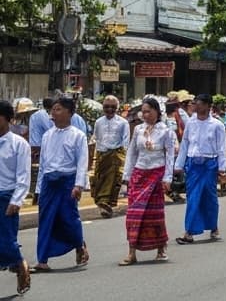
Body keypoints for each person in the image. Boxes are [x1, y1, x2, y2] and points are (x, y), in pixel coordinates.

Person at [32, 97, 88, 272]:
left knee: (69, 219)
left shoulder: (78, 136)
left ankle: (79, 245)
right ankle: (42, 259)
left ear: (69, 112)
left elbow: (82, 162)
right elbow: (43, 164)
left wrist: (79, 185)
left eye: (57, 109)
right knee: (45, 219)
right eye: (52, 110)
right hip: (49, 183)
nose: (52, 114)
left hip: (68, 182)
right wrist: (39, 189)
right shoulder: (47, 135)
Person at [120, 97, 173, 265]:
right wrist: (126, 176)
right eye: (143, 111)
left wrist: (168, 177)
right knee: (133, 214)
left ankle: (161, 248)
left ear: (157, 112)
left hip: (156, 174)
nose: (145, 114)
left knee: (155, 214)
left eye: (148, 111)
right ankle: (131, 252)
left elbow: (170, 155)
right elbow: (132, 153)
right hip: (139, 174)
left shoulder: (166, 131)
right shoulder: (137, 130)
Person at [175, 94, 226, 244]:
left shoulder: (217, 125)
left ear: (206, 105)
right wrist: (179, 165)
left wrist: (222, 168)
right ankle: (189, 231)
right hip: (193, 165)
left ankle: (213, 226)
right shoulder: (191, 124)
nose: (194, 106)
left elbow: (222, 148)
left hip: (209, 164)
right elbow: (185, 144)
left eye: (197, 103)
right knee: (193, 197)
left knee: (209, 197)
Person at [0, 100, 32, 295]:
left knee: (5, 239)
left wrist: (17, 200)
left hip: (7, 196)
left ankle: (20, 264)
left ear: (8, 119)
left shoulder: (18, 144)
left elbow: (23, 175)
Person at [91, 95, 129, 218]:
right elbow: (95, 137)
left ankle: (106, 204)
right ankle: (102, 203)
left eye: (113, 107)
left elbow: (126, 140)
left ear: (117, 108)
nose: (109, 109)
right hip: (101, 154)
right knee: (99, 179)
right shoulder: (98, 122)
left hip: (116, 155)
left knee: (113, 181)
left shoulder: (123, 122)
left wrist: (124, 157)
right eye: (106, 107)